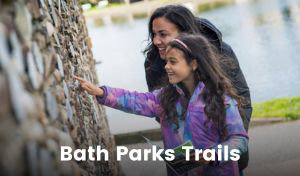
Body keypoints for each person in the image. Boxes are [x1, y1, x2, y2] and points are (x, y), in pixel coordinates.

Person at [74, 34, 248, 176]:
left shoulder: (221, 101)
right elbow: (135, 100)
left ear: (193, 64)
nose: (166, 67)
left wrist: (212, 155)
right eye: (166, 61)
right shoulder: (166, 98)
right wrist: (102, 93)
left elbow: (239, 141)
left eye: (173, 61)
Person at [143, 5, 252, 173]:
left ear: (185, 33)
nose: (156, 41)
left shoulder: (221, 52)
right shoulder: (153, 62)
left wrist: (222, 147)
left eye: (163, 34)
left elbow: (242, 100)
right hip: (183, 158)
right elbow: (160, 108)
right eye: (154, 34)